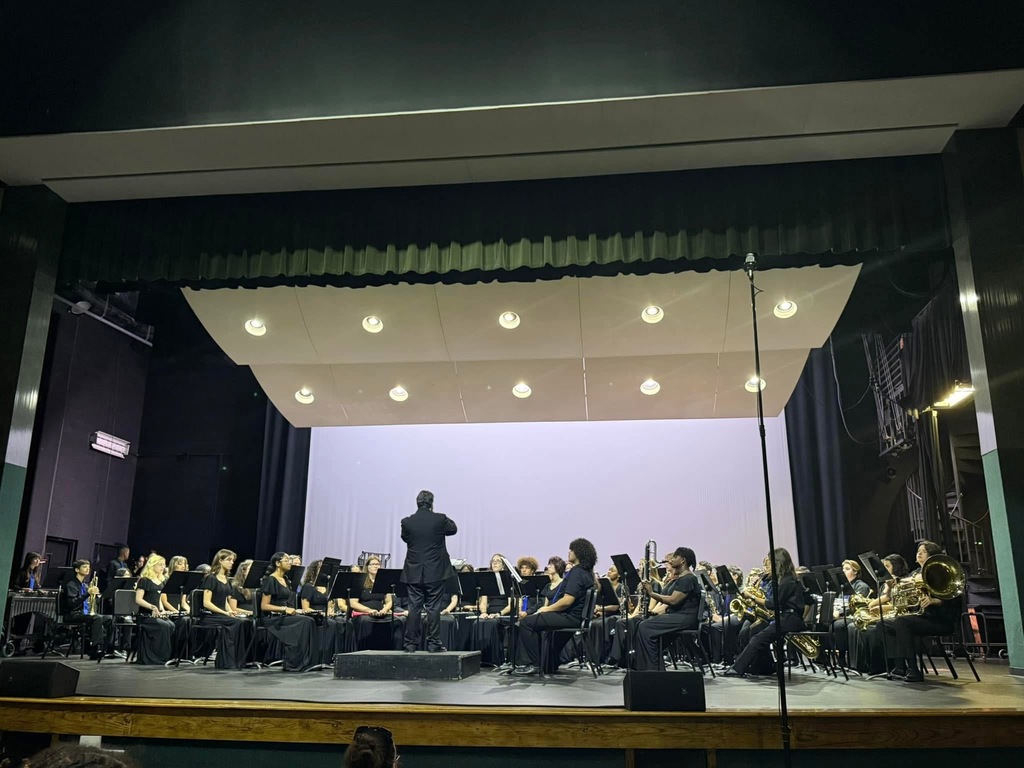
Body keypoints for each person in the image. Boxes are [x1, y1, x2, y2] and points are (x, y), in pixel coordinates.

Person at [512, 537, 597, 675]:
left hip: (570, 617)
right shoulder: (587, 572)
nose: (569, 552)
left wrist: (547, 609)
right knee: (537, 623)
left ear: (578, 552)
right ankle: (547, 663)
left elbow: (567, 601)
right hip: (577, 617)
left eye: (571, 550)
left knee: (526, 623)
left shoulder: (577, 572)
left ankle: (535, 663)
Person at [724, 547, 806, 678]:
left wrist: (752, 597)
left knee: (758, 638)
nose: (770, 565)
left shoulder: (787, 580)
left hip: (790, 618)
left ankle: (738, 669)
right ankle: (763, 667)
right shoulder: (790, 579)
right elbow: (808, 600)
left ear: (778, 562)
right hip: (787, 617)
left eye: (772, 562)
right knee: (756, 634)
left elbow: (773, 604)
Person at [399, 489, 458, 653]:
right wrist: (437, 514)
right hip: (435, 571)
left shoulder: (407, 522)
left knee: (414, 608)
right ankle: (433, 643)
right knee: (433, 608)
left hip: (413, 571)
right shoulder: (440, 519)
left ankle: (410, 644)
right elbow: (453, 529)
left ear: (417, 503)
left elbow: (405, 538)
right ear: (432, 503)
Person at [634, 547, 702, 670]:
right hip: (679, 616)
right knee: (642, 623)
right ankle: (652, 667)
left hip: (685, 617)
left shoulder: (688, 578)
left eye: (675, 557)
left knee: (645, 627)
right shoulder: (682, 578)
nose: (671, 560)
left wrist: (652, 593)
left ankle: (652, 669)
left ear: (683, 560)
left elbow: (674, 600)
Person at [260, 551, 317, 671]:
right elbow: (264, 606)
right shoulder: (271, 580)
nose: (289, 563)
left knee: (310, 620)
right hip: (273, 618)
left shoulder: (286, 580)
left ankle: (306, 662)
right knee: (305, 622)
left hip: (284, 615)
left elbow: (287, 602)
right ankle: (294, 663)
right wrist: (284, 609)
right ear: (277, 563)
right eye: (286, 560)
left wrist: (296, 610)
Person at [199, 548, 252, 669]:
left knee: (244, 622)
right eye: (229, 560)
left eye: (232, 560)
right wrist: (225, 613)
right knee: (236, 623)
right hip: (211, 615)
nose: (232, 563)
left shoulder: (227, 580)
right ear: (220, 560)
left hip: (222, 614)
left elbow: (225, 601)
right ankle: (227, 661)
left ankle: (239, 660)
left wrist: (230, 611)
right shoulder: (211, 578)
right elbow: (206, 603)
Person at [58, 559, 114, 660]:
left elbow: (89, 602)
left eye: (88, 567)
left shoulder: (84, 584)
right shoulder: (71, 585)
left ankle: (107, 647)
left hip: (84, 613)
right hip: (73, 614)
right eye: (84, 567)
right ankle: (94, 648)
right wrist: (87, 593)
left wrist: (96, 596)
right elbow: (72, 604)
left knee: (110, 618)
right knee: (97, 618)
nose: (88, 569)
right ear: (77, 570)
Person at [133, 554, 175, 664]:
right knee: (164, 626)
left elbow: (159, 599)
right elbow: (138, 599)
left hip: (156, 614)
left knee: (171, 625)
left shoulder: (161, 581)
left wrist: (162, 610)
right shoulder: (144, 580)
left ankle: (166, 656)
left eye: (163, 565)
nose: (162, 567)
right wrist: (152, 607)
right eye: (160, 565)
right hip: (145, 615)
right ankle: (156, 657)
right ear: (152, 565)